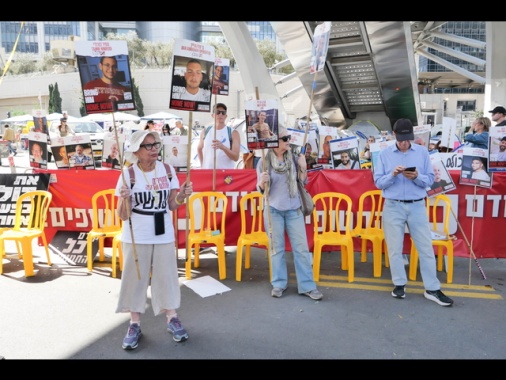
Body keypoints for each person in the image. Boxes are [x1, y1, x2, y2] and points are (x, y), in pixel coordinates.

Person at [115, 129, 193, 350]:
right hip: (136, 234)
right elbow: (122, 215)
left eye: (156, 144)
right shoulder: (127, 174)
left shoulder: (167, 170)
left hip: (163, 232)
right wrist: (125, 199)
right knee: (134, 279)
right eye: (148, 146)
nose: (154, 149)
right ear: (137, 151)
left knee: (167, 276)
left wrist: (183, 195)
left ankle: (172, 317)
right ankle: (134, 323)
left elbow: (172, 204)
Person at [373, 118, 454, 307]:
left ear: (412, 136)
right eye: (401, 139)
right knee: (394, 248)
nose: (404, 143)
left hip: (417, 204)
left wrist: (417, 177)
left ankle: (432, 288)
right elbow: (378, 183)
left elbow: (430, 180)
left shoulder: (422, 152)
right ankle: (399, 284)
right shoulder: (384, 154)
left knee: (425, 247)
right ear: (394, 135)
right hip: (393, 205)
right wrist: (392, 175)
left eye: (407, 139)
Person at [256, 129, 323, 300]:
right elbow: (262, 191)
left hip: (294, 209)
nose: (288, 141)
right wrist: (262, 183)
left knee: (301, 248)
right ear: (274, 141)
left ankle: (308, 286)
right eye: (285, 138)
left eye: (289, 138)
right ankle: (278, 284)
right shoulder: (264, 161)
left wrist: (303, 168)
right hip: (273, 209)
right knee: (276, 249)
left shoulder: (294, 158)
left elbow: (303, 181)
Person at [197, 103, 240, 169]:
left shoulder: (233, 133)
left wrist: (223, 147)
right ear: (213, 115)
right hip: (208, 172)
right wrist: (202, 165)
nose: (220, 114)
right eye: (217, 112)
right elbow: (199, 148)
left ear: (226, 116)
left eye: (223, 113)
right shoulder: (206, 131)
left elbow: (236, 157)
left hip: (225, 175)